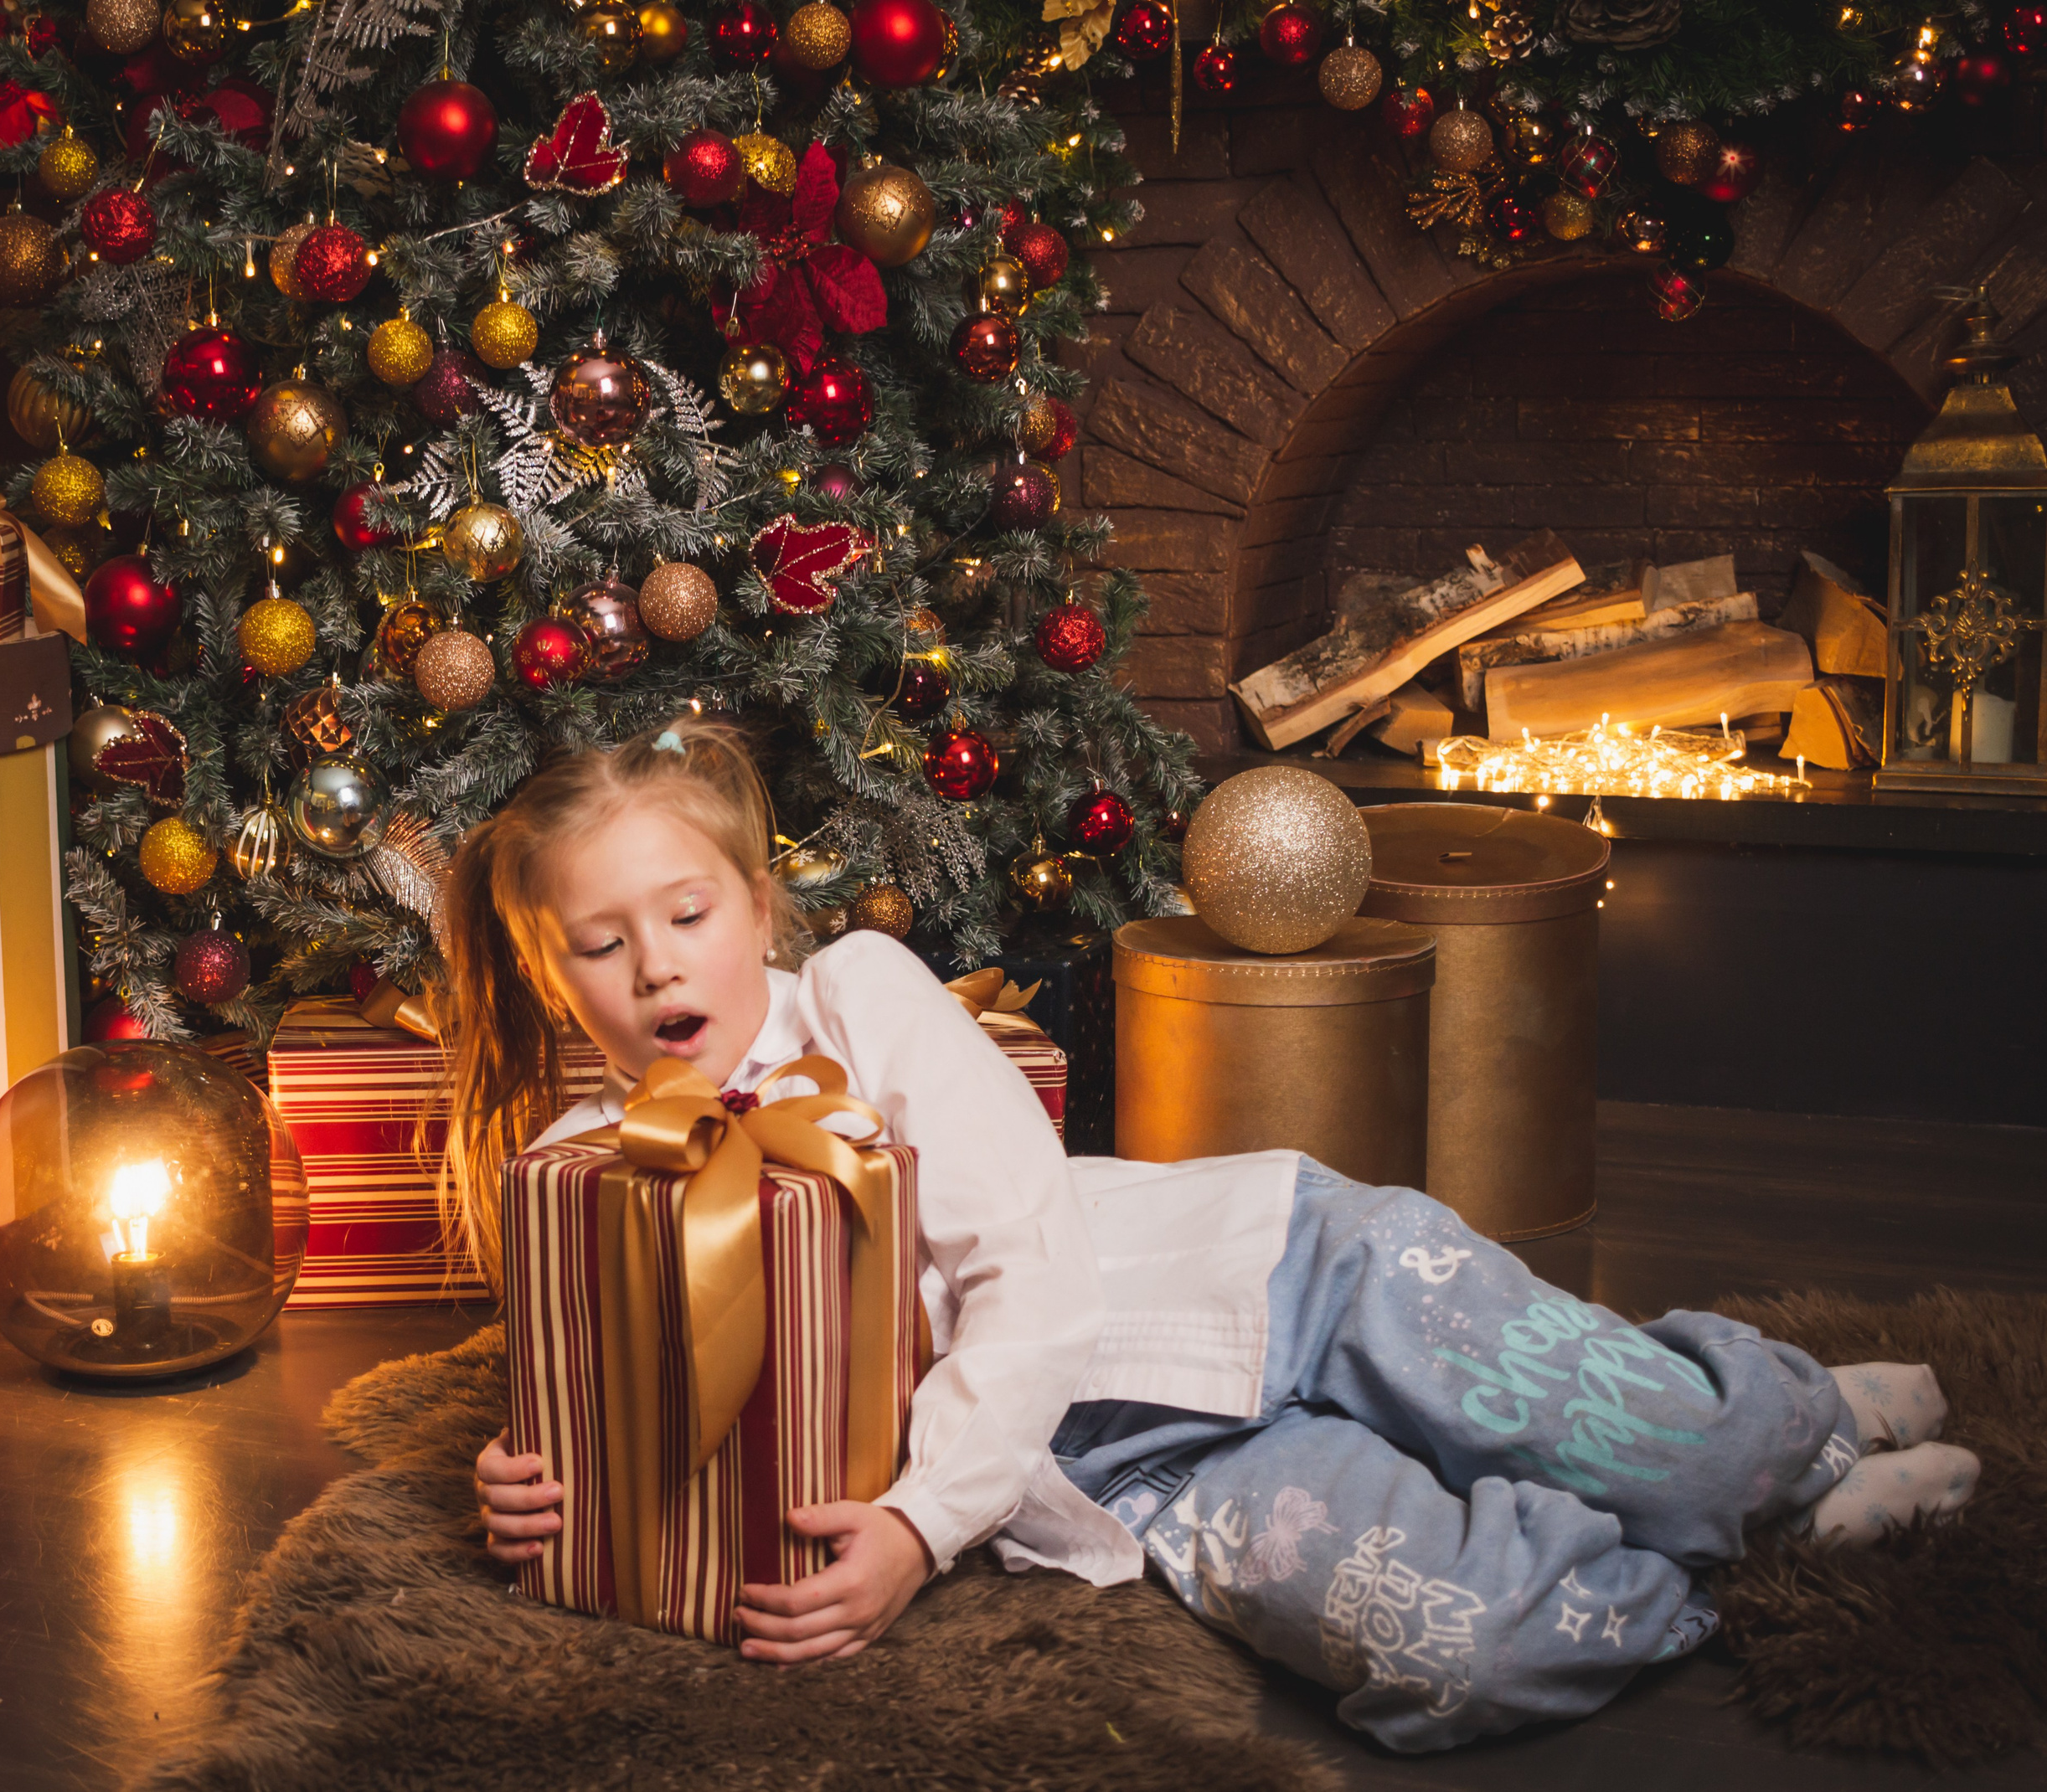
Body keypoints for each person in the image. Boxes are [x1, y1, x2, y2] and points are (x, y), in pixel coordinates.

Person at [456, 716, 1979, 1753]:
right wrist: (529, 1482)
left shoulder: (855, 994)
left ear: (755, 907)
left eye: (687, 913)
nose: (658, 963)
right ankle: (1744, 1562)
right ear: (552, 975)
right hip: (1131, 1464)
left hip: (1274, 1276)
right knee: (1463, 1651)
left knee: (1686, 1449)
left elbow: (1032, 1271)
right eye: (602, 942)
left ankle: (1787, 1427)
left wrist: (921, 1525)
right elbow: (619, 1403)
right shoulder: (582, 1174)